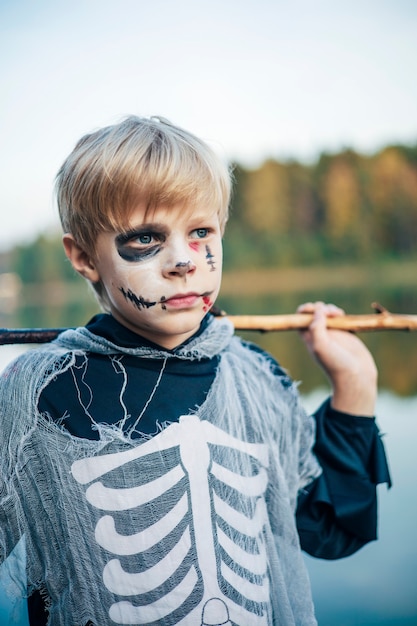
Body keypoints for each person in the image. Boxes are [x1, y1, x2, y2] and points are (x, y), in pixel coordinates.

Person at [0, 116, 390, 626]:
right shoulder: (41, 395)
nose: (184, 261)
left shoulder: (257, 381)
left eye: (201, 231)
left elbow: (327, 531)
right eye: (146, 239)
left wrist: (355, 385)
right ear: (83, 257)